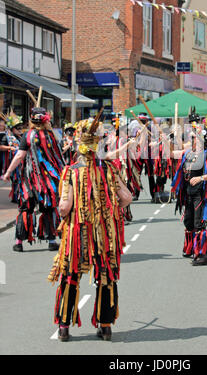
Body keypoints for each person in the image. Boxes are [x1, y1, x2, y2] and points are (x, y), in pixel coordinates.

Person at [48, 116, 128, 342]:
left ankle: (63, 327)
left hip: (79, 234)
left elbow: (65, 207)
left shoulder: (71, 171)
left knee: (70, 274)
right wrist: (111, 211)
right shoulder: (109, 168)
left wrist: (62, 214)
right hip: (105, 233)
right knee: (105, 276)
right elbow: (127, 197)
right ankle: (105, 326)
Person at [3, 107, 64, 252]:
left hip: (29, 179)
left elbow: (19, 156)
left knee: (26, 208)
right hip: (49, 178)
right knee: (48, 207)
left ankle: (19, 242)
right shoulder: (52, 135)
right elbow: (59, 157)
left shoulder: (27, 135)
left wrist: (8, 172)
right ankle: (51, 241)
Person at [171, 110, 207, 266]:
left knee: (199, 223)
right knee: (189, 222)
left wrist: (201, 177)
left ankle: (202, 254)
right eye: (192, 138)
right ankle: (191, 248)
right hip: (189, 193)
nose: (192, 140)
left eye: (195, 138)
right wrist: (169, 138)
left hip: (201, 194)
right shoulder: (188, 154)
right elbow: (171, 153)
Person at [5, 111, 24, 203]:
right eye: (18, 128)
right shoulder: (10, 138)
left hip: (20, 162)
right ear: (12, 129)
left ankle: (16, 196)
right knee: (16, 179)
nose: (20, 129)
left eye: (21, 127)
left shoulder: (21, 137)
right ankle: (16, 197)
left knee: (19, 179)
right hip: (14, 162)